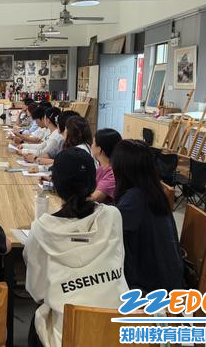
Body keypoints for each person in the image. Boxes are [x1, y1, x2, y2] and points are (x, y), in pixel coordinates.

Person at [24, 148, 128, 347]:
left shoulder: (42, 229)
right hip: (116, 331)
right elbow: (119, 261)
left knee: (38, 319)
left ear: (55, 183)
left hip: (69, 336)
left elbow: (36, 292)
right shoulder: (113, 216)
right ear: (93, 180)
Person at [112, 140, 184, 294]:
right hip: (168, 279)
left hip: (151, 289)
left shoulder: (134, 199)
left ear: (122, 168)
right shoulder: (152, 191)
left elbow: (107, 232)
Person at [90, 129, 121, 204]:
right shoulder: (101, 168)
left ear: (99, 149)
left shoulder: (112, 174)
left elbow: (94, 199)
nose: (91, 146)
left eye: (93, 143)